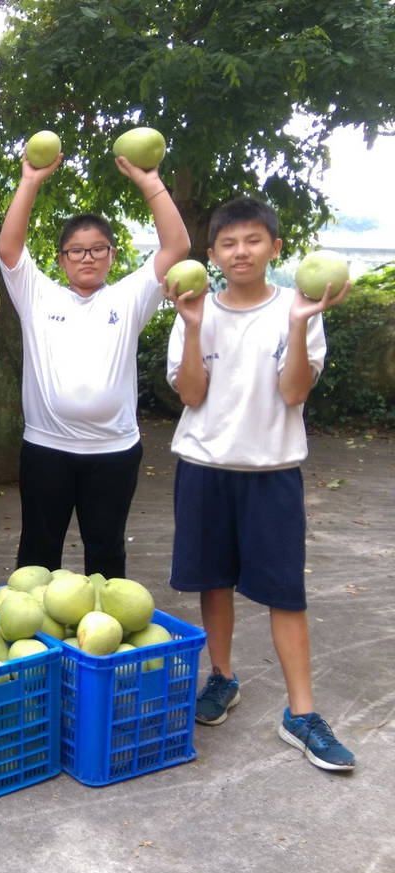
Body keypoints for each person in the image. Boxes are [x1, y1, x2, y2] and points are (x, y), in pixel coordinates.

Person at [167, 196, 354, 771]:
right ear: (213, 253)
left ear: (275, 247)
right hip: (203, 468)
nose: (240, 251)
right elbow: (192, 394)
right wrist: (195, 328)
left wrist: (299, 328)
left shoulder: (297, 309)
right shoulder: (194, 309)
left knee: (284, 594)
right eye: (228, 243)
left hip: (271, 473)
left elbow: (295, 392)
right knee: (213, 583)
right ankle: (222, 678)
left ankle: (301, 714)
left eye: (252, 240)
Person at [0, 148, 190, 579]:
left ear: (112, 255)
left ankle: (99, 643)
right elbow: (9, 249)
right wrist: (30, 179)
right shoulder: (38, 296)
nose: (87, 258)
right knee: (38, 553)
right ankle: (35, 645)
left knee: (105, 553)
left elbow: (177, 247)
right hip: (47, 447)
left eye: (97, 250)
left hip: (114, 451)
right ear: (62, 259)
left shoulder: (129, 296)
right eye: (76, 251)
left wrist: (150, 182)